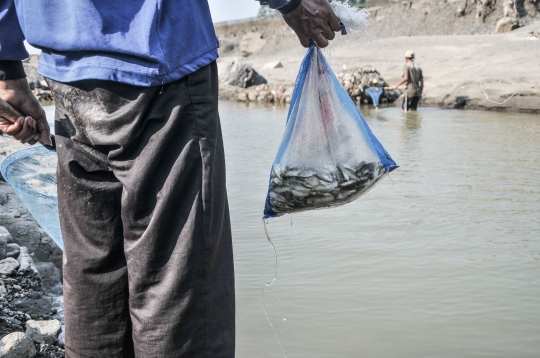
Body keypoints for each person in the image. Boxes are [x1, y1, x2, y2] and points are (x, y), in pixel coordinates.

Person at [0, 0, 341, 357]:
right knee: (176, 285)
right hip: (160, 70)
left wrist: (7, 69)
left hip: (67, 80)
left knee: (94, 277)